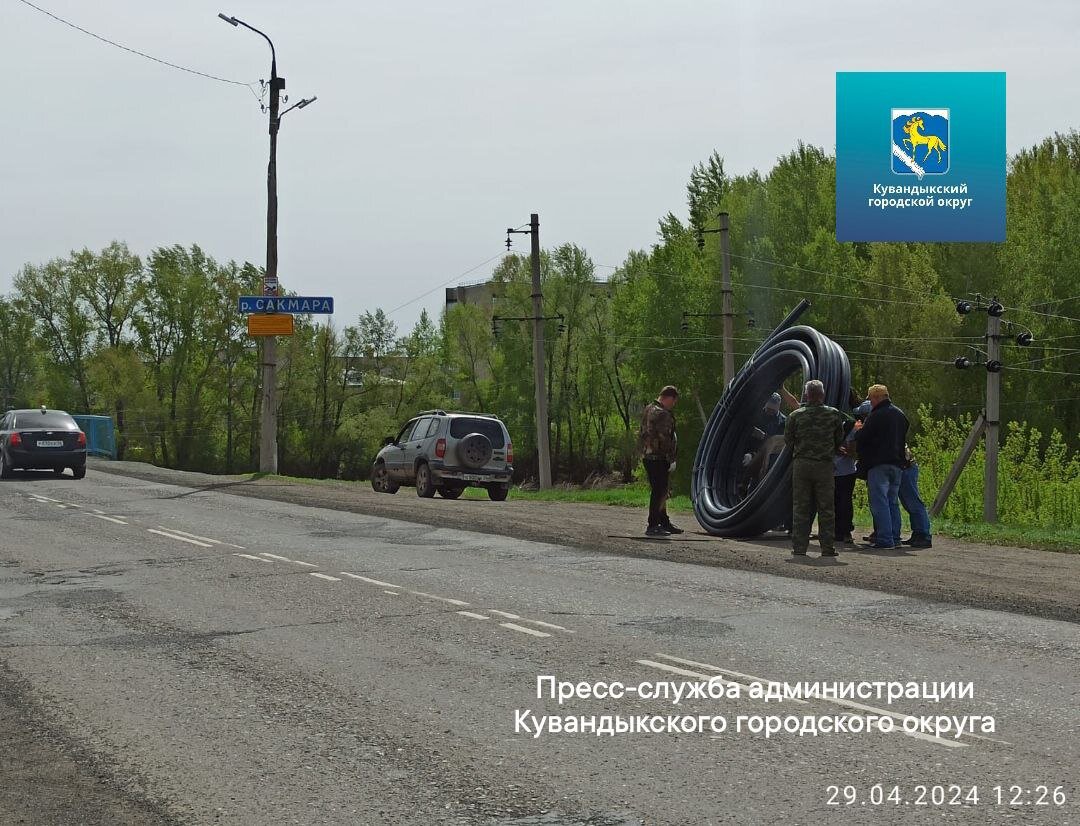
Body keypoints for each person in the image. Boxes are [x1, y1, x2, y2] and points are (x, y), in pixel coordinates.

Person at [783, 379, 845, 557]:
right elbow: (839, 439)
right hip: (824, 466)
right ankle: (827, 548)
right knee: (826, 508)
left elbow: (789, 440)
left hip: (802, 465)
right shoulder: (833, 415)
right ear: (822, 395)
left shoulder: (796, 416)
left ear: (806, 395)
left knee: (801, 507)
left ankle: (799, 547)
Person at [854, 384, 909, 550]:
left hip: (879, 464)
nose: (870, 403)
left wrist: (858, 430)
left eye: (871, 399)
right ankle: (895, 537)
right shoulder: (900, 415)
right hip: (897, 464)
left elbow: (863, 437)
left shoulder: (876, 415)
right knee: (892, 502)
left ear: (877, 398)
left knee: (879, 502)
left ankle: (885, 539)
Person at [638, 385, 682, 537]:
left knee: (660, 490)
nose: (673, 405)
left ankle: (663, 521)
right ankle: (653, 524)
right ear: (669, 398)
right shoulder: (663, 414)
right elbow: (666, 439)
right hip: (659, 457)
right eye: (674, 401)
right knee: (660, 491)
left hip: (647, 455)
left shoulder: (648, 409)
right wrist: (671, 459)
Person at [833, 400, 868, 544]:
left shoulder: (844, 425)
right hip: (847, 470)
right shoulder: (857, 429)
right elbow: (853, 451)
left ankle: (837, 531)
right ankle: (845, 531)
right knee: (845, 501)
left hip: (835, 469)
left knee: (836, 501)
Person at [740, 392, 787, 491]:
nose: (769, 412)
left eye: (772, 410)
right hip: (750, 453)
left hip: (770, 460)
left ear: (778, 406)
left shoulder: (783, 422)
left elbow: (779, 443)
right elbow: (743, 434)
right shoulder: (755, 415)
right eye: (768, 409)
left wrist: (764, 436)